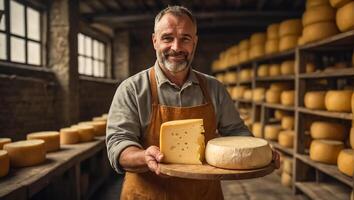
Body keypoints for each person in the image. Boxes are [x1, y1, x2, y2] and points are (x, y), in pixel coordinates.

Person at [106, 5, 280, 200]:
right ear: (155, 41)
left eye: (185, 39)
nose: (176, 47)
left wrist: (260, 152)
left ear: (194, 43)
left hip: (204, 195)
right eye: (167, 38)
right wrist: (143, 157)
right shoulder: (132, 89)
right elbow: (118, 144)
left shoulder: (214, 88)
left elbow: (237, 133)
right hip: (148, 194)